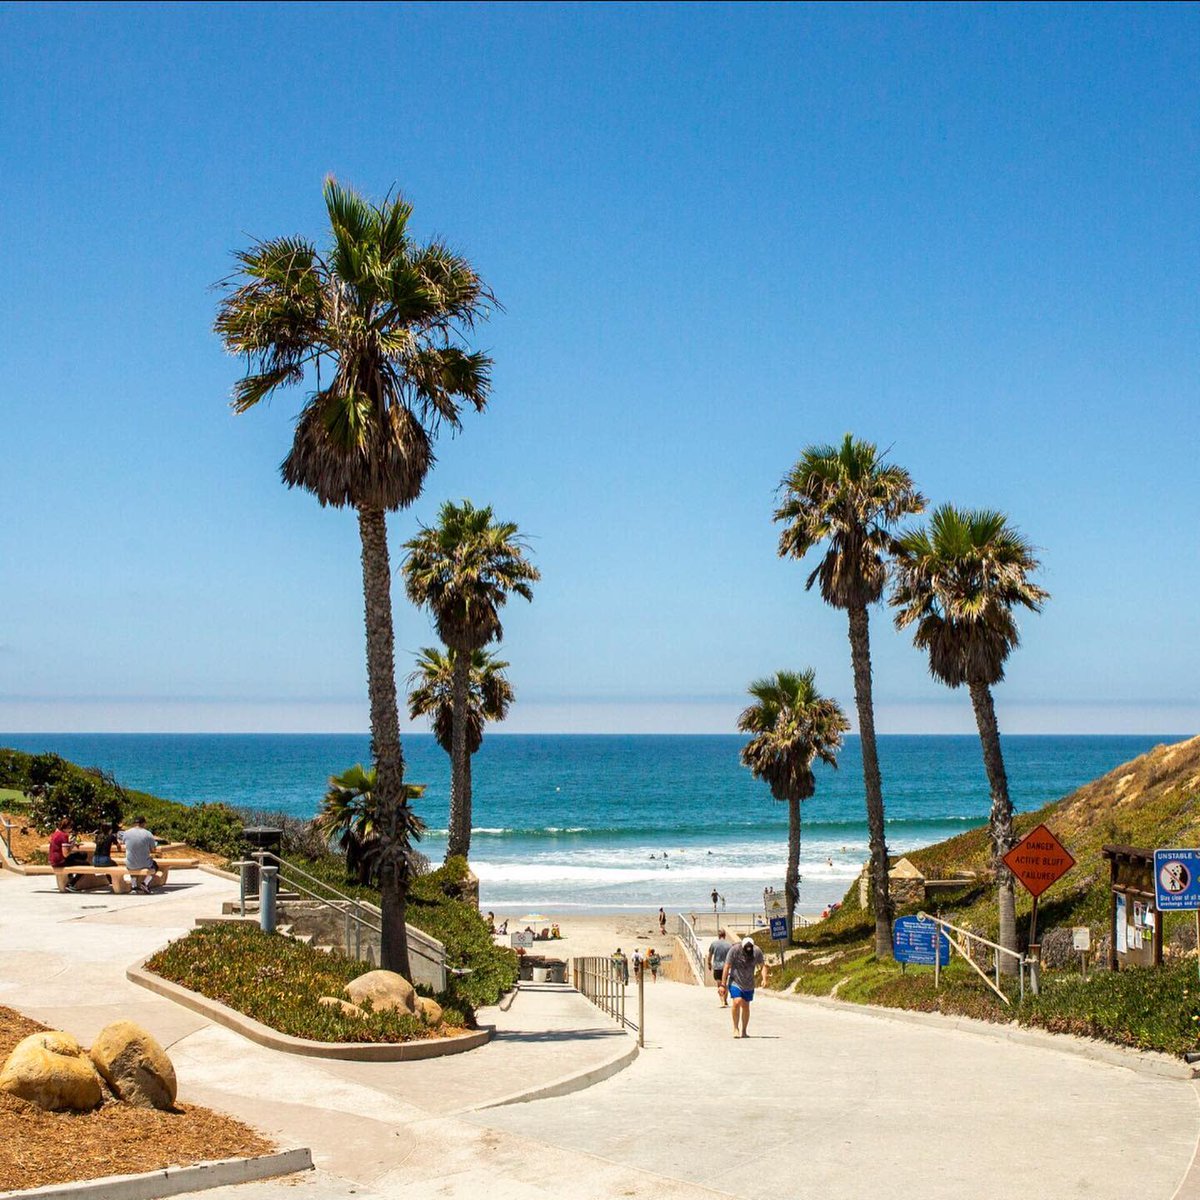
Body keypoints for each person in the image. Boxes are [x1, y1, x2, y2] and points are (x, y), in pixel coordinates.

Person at [721, 935, 768, 1039]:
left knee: (746, 1006)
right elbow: (726, 966)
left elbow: (762, 966)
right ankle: (735, 1028)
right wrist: (723, 985)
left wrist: (764, 978)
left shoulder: (757, 951)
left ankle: (744, 1030)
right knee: (737, 1002)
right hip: (735, 981)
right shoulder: (734, 950)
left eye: (750, 948)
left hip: (749, 983)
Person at [120, 816, 159, 894]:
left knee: (132, 862)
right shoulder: (148, 834)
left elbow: (122, 842)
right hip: (144, 863)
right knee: (155, 866)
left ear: (134, 823)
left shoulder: (126, 833)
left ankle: (134, 886)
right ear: (143, 823)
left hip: (130, 863)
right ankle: (145, 883)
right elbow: (153, 850)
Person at [49, 818, 89, 891]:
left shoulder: (55, 833)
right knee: (87, 865)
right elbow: (66, 854)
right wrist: (72, 845)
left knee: (83, 854)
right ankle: (71, 883)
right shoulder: (64, 836)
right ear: (67, 827)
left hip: (53, 860)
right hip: (60, 861)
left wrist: (70, 845)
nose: (71, 829)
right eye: (71, 827)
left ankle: (70, 876)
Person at [706, 927, 733, 1006]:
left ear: (718, 935)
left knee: (719, 984)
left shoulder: (714, 944)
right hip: (726, 967)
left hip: (717, 967)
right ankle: (725, 1000)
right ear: (725, 935)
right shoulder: (729, 944)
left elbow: (710, 955)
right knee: (725, 984)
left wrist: (709, 964)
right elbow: (731, 956)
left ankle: (722, 1001)